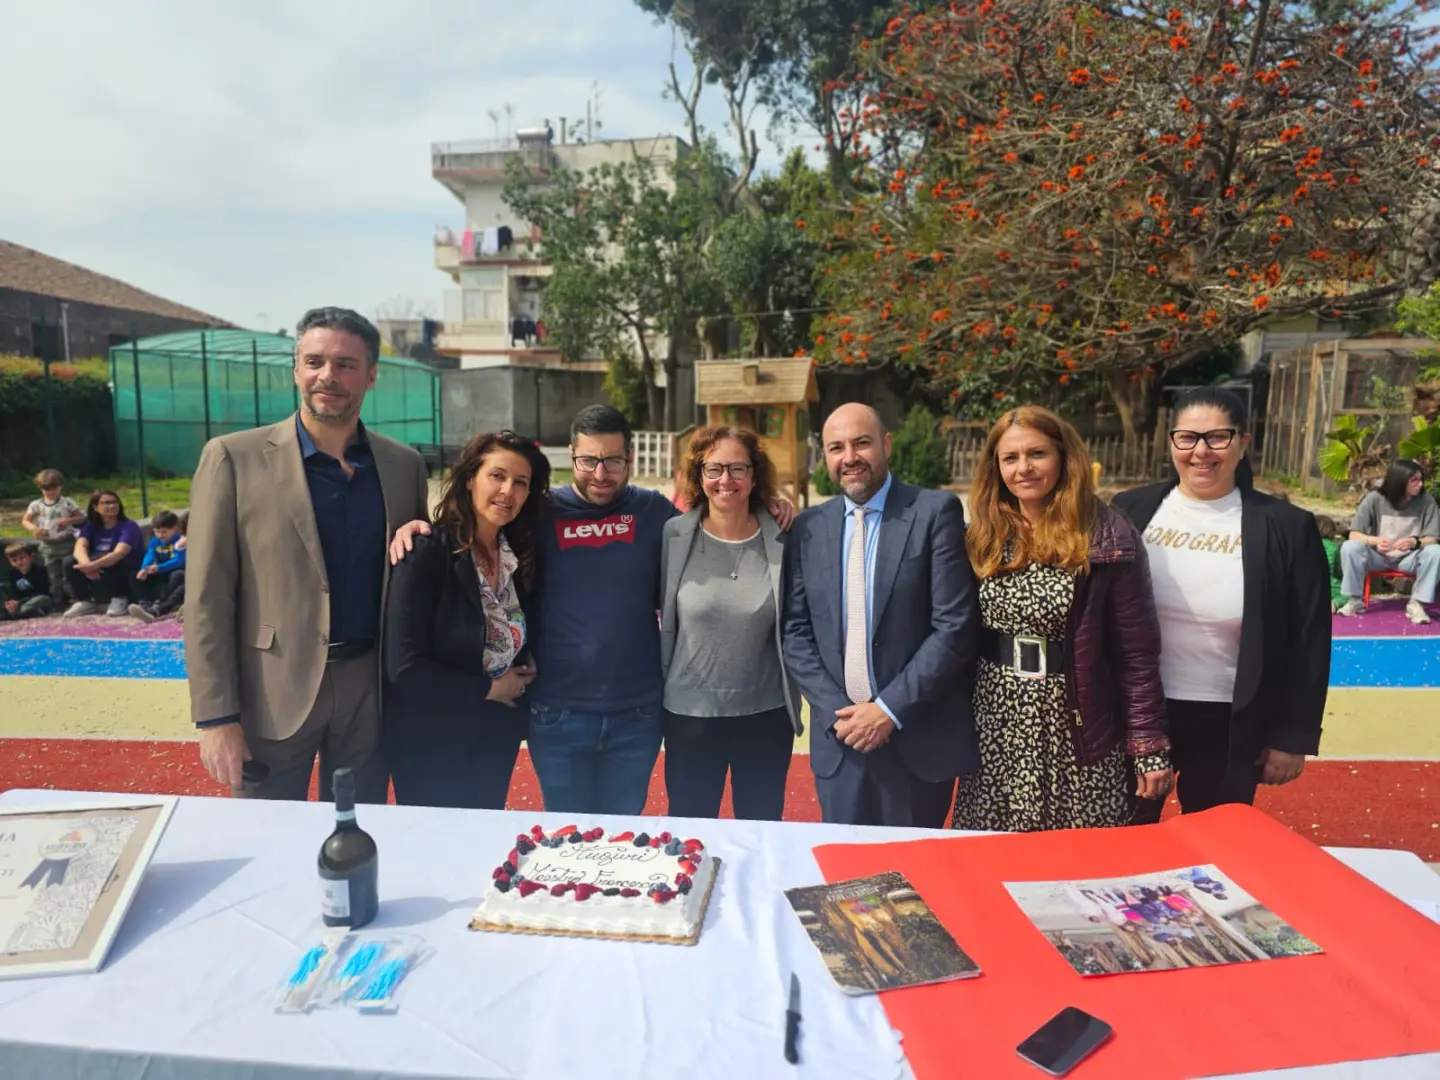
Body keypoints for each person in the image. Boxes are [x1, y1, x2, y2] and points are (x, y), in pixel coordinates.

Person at [390, 404, 794, 815]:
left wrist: (768, 506)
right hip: (557, 713)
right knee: (567, 842)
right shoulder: (538, 514)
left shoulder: (656, 514)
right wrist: (419, 526)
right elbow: (478, 522)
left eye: (613, 461)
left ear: (629, 459)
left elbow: (718, 522)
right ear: (572, 456)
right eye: (588, 460)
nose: (600, 473)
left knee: (620, 843)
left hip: (636, 714)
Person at [185, 307, 430, 802]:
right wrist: (216, 716)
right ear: (296, 368)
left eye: (345, 364)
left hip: (370, 691)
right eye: (315, 361)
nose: (328, 376)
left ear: (371, 375)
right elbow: (207, 596)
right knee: (266, 845)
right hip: (272, 692)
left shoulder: (404, 466)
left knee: (357, 837)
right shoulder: (232, 457)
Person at [1113, 387, 1331, 820]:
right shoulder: (1130, 509)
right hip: (1138, 713)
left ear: (1243, 443)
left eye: (1218, 437)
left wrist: (1293, 736)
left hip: (1230, 721)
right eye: (1187, 438)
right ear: (1170, 441)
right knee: (1123, 842)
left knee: (1215, 851)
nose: (1201, 452)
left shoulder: (1287, 527)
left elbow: (1309, 638)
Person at [953, 407, 1172, 833]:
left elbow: (1137, 655)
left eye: (1037, 453)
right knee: (996, 858)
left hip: (1077, 724)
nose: (1023, 468)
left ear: (1063, 456)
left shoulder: (1106, 534)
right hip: (997, 723)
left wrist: (1148, 747)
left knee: (1080, 867)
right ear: (995, 467)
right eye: (1010, 458)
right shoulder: (984, 534)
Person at [781, 403, 980, 827]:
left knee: (917, 882)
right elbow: (795, 632)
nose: (849, 457)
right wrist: (841, 714)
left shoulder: (934, 513)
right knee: (843, 878)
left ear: (886, 445)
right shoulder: (808, 528)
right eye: (836, 447)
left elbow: (954, 626)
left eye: (862, 443)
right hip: (841, 742)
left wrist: (887, 710)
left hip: (916, 738)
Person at [383, 431, 546, 808]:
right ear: (470, 477)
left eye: (521, 482)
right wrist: (491, 689)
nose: (508, 491)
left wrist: (526, 659)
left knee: (482, 853)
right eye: (497, 476)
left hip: (494, 737)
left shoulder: (516, 557)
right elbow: (404, 668)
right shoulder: (424, 552)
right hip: (432, 743)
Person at [659, 426, 802, 821]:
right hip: (691, 716)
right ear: (698, 475)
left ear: (754, 475)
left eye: (737, 468)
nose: (726, 480)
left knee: (761, 832)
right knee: (690, 834)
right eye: (714, 468)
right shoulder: (673, 535)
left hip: (765, 716)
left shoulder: (785, 536)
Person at [1336, 459, 1440, 624]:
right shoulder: (1374, 499)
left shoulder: (1427, 502)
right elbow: (1353, 534)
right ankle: (1355, 600)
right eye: (1414, 480)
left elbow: (1432, 539)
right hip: (1377, 557)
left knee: (1435, 552)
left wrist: (1414, 542)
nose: (1420, 484)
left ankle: (1417, 603)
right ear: (1399, 481)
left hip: (1409, 559)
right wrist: (1375, 540)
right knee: (1350, 547)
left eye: (1421, 480)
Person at [62, 490, 143, 617]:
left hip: (125, 566)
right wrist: (86, 565)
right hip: (98, 564)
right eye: (106, 503)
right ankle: (85, 601)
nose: (111, 506)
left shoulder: (129, 526)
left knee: (113, 561)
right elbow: (80, 546)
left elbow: (119, 553)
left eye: (114, 502)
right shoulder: (91, 526)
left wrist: (92, 566)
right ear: (95, 507)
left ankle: (120, 598)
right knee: (69, 562)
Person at [21, 469, 84, 609]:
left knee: (68, 574)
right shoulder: (36, 505)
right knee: (54, 576)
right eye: (46, 489)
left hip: (66, 543)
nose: (50, 492)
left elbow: (80, 517)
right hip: (48, 545)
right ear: (40, 488)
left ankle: (75, 599)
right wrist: (34, 529)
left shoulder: (67, 502)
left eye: (54, 489)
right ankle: (57, 601)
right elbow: (25, 521)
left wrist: (69, 520)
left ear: (60, 486)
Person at [128, 509, 186, 622]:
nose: (160, 535)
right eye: (157, 531)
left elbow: (179, 561)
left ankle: (159, 602)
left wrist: (159, 567)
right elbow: (149, 555)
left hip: (175, 571)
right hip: (161, 570)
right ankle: (144, 602)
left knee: (178, 575)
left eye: (164, 532)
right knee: (133, 575)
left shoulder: (179, 541)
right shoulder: (155, 541)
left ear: (174, 529)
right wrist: (144, 568)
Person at [2, 543, 54, 620]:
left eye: (22, 558)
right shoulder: (13, 573)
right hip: (22, 602)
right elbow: (14, 592)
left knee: (42, 599)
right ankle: (17, 612)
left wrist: (20, 602)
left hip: (37, 599)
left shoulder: (39, 571)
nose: (19, 562)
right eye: (14, 560)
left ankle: (17, 614)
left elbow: (43, 592)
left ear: (31, 556)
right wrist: (13, 602)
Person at [1314, 515, 1346, 613]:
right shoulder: (1333, 547)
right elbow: (1338, 571)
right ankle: (1335, 603)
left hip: (1308, 587)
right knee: (1351, 593)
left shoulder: (1303, 544)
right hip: (1330, 588)